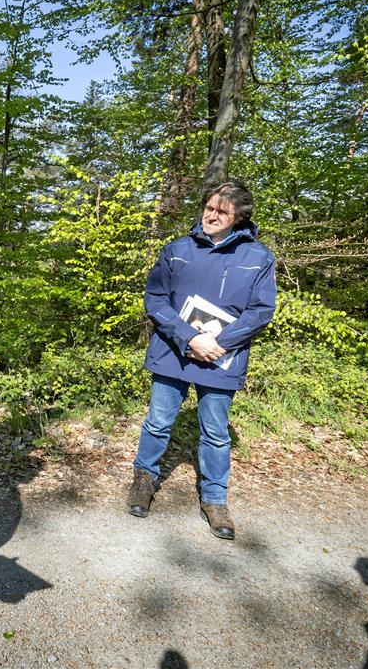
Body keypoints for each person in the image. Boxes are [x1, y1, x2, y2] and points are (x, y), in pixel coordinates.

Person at [126, 178, 276, 540]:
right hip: (172, 353)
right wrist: (190, 337)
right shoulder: (176, 249)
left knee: (216, 433)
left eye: (221, 211)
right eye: (208, 208)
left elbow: (261, 310)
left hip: (223, 358)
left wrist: (217, 343)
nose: (211, 215)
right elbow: (155, 300)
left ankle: (214, 499)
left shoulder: (258, 257)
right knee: (158, 422)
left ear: (238, 216)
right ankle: (144, 480)